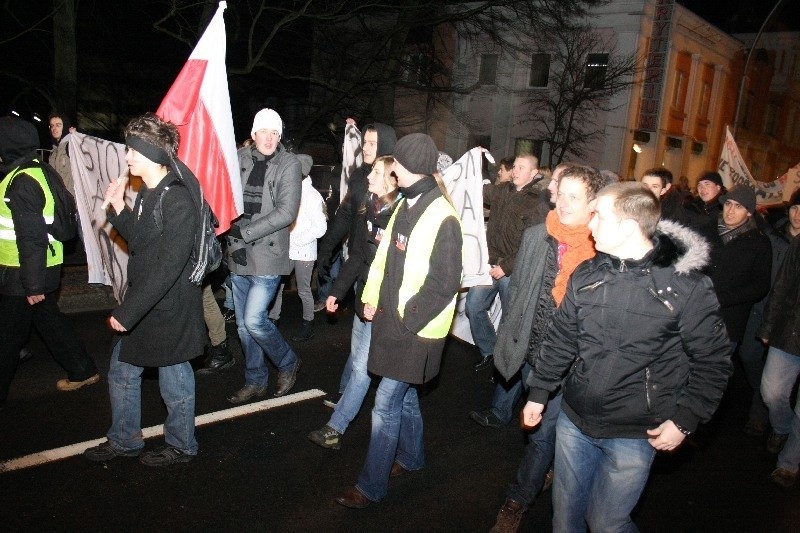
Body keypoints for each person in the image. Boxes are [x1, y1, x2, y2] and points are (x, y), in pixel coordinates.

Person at [523, 183, 733, 531]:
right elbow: (561, 338)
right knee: (564, 520)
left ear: (629, 227)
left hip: (636, 430)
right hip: (575, 419)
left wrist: (685, 419)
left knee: (607, 522)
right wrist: (539, 391)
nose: (589, 224)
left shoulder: (685, 287)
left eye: (599, 217)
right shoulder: (587, 275)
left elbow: (713, 361)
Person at [335, 133, 463, 508]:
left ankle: (370, 487)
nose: (391, 171)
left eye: (396, 165)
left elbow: (444, 283)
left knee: (386, 404)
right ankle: (412, 458)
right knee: (404, 400)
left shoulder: (443, 216)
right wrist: (371, 298)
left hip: (416, 331)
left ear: (408, 168)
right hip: (393, 322)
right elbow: (383, 261)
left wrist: (408, 317)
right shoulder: (407, 203)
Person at [83, 113, 205, 466]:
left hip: (169, 308)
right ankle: (124, 440)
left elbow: (169, 266)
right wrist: (120, 209)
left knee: (175, 381)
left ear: (152, 153)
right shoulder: (151, 190)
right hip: (148, 303)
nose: (128, 158)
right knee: (122, 372)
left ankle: (182, 445)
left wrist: (127, 312)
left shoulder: (177, 198)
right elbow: (143, 242)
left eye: (133, 151)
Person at [488, 164, 604, 533]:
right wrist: (509, 343)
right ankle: (545, 472)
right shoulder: (537, 235)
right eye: (562, 193)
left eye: (576, 197)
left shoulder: (602, 250)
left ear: (593, 204)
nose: (565, 202)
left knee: (541, 435)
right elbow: (520, 293)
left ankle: (518, 499)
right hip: (532, 352)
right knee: (544, 432)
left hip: (572, 362)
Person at [0, 117, 99, 410]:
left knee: (6, 336)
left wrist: (32, 284)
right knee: (48, 321)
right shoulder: (40, 171)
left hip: (24, 272)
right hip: (36, 268)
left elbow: (31, 238)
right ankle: (82, 369)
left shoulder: (21, 182)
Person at [308, 155, 400, 449]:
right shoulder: (369, 210)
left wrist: (379, 302)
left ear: (390, 179)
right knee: (403, 391)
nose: (368, 176)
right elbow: (358, 255)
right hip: (363, 298)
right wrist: (337, 291)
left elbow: (395, 271)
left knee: (362, 367)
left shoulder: (399, 218)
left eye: (375, 172)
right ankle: (412, 453)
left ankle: (336, 427)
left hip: (381, 305)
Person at [225, 108, 302, 403]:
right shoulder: (238, 158)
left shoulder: (289, 164)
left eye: (274, 133)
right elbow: (224, 199)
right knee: (244, 327)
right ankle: (255, 379)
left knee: (255, 320)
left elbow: (286, 212)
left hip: (268, 254)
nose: (269, 138)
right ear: (253, 134)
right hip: (238, 252)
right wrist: (233, 240)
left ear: (279, 136)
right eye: (263, 132)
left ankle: (288, 362)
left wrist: (242, 234)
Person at [466, 153, 549, 372]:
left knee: (510, 319)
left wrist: (506, 267)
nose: (514, 171)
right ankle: (490, 352)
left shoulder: (537, 202)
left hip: (512, 270)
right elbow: (474, 189)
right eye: (514, 167)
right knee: (473, 307)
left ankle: (503, 365)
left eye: (521, 168)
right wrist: (469, 165)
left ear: (534, 173)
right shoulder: (502, 191)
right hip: (490, 264)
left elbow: (530, 243)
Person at [266, 154, 327, 341]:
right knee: (277, 285)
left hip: (304, 252)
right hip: (288, 249)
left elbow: (321, 228)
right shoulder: (291, 191)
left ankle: (308, 325)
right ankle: (273, 320)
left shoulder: (313, 196)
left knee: (304, 290)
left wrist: (298, 239)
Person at [758, 231, 800, 487]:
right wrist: (768, 326)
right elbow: (782, 284)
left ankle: (789, 463)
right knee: (771, 392)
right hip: (790, 330)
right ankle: (782, 428)